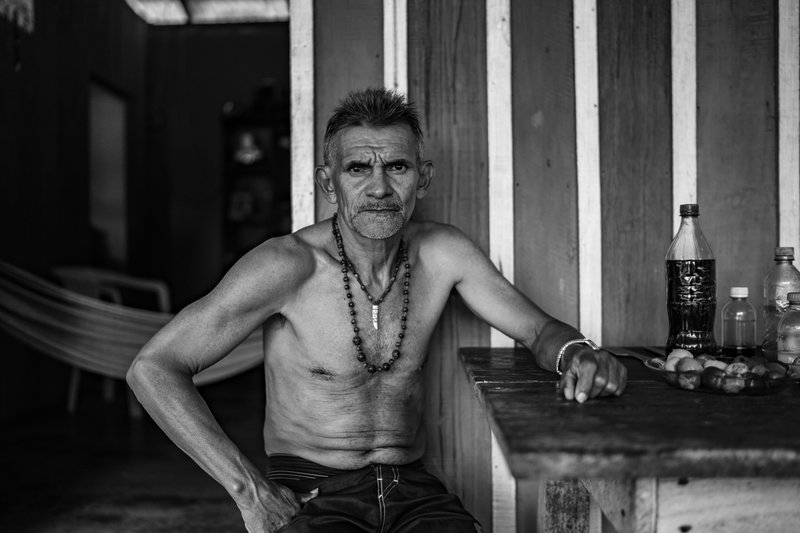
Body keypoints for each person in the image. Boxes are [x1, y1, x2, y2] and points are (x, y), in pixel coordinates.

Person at [127, 87, 627, 533]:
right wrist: (250, 492)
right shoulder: (287, 267)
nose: (380, 188)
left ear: (422, 178)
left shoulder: (441, 253)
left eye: (398, 166)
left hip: (413, 492)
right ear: (330, 183)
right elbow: (154, 368)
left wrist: (578, 353)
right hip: (312, 495)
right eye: (358, 168)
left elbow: (538, 329)